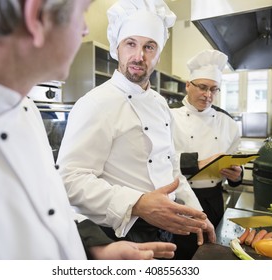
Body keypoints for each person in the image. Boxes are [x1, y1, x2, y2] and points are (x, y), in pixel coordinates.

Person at [0, 0, 177, 260]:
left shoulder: (22, 104)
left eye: (149, 47)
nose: (84, 29)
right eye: (82, 13)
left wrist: (94, 250)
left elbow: (49, 208)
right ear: (35, 15)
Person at [57, 0, 216, 260]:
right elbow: (69, 180)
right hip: (119, 234)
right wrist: (139, 203)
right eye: (130, 43)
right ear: (116, 48)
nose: (139, 56)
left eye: (149, 46)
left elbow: (172, 169)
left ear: (158, 53)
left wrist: (198, 216)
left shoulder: (160, 104)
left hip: (166, 226)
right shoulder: (96, 103)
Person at [169, 50, 243, 229]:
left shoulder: (227, 121)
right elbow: (159, 160)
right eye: (202, 87)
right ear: (188, 85)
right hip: (177, 200)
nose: (208, 95)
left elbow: (234, 157)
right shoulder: (167, 115)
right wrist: (199, 163)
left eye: (213, 89)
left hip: (214, 199)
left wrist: (237, 175)